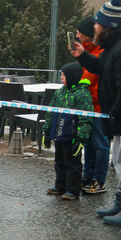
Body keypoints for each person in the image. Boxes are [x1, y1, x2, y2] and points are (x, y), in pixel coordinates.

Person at [71, 0, 121, 226]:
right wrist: (83, 56)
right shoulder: (113, 45)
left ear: (108, 26)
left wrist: (115, 112)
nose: (94, 26)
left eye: (97, 22)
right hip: (120, 118)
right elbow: (101, 67)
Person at [41, 63, 94, 200]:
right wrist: (47, 131)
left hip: (72, 136)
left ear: (72, 76)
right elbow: (50, 112)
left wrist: (81, 138)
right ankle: (60, 185)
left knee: (72, 163)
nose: (61, 77)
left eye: (63, 75)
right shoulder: (60, 92)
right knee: (59, 161)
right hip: (59, 134)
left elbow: (86, 118)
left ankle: (72, 189)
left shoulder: (82, 94)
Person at [74, 17, 109, 195]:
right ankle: (88, 175)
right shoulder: (88, 53)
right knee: (89, 143)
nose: (76, 35)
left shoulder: (99, 54)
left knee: (100, 145)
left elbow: (91, 82)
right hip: (89, 107)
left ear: (88, 35)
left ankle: (99, 180)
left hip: (98, 108)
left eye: (79, 32)